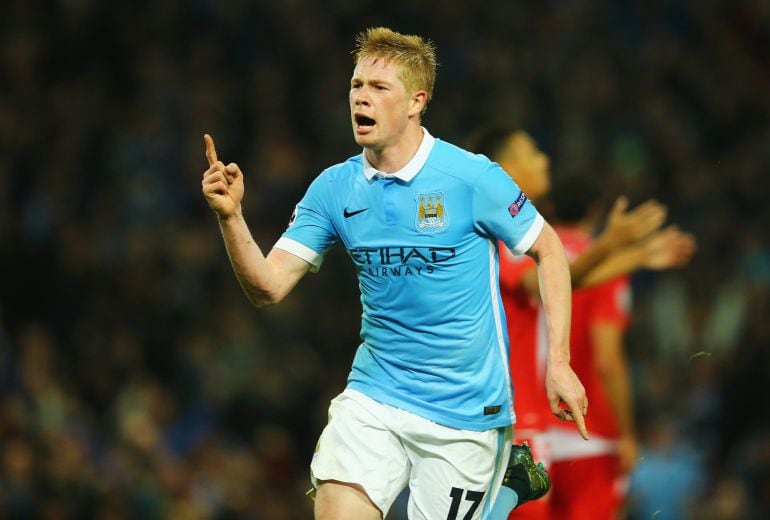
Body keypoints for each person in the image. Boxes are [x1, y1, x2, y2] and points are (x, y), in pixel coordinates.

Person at [201, 28, 587, 520]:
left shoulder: (470, 177)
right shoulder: (334, 189)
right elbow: (267, 287)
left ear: (415, 102)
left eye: (379, 88)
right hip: (376, 393)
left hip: (466, 409)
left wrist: (558, 362)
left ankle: (506, 489)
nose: (362, 96)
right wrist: (231, 217)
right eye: (357, 85)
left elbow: (550, 250)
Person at [470, 126, 696, 520]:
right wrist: (612, 243)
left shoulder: (527, 236)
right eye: (533, 152)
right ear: (506, 166)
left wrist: (637, 255)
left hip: (531, 418)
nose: (545, 160)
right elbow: (541, 281)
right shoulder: (495, 232)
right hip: (511, 416)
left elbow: (566, 277)